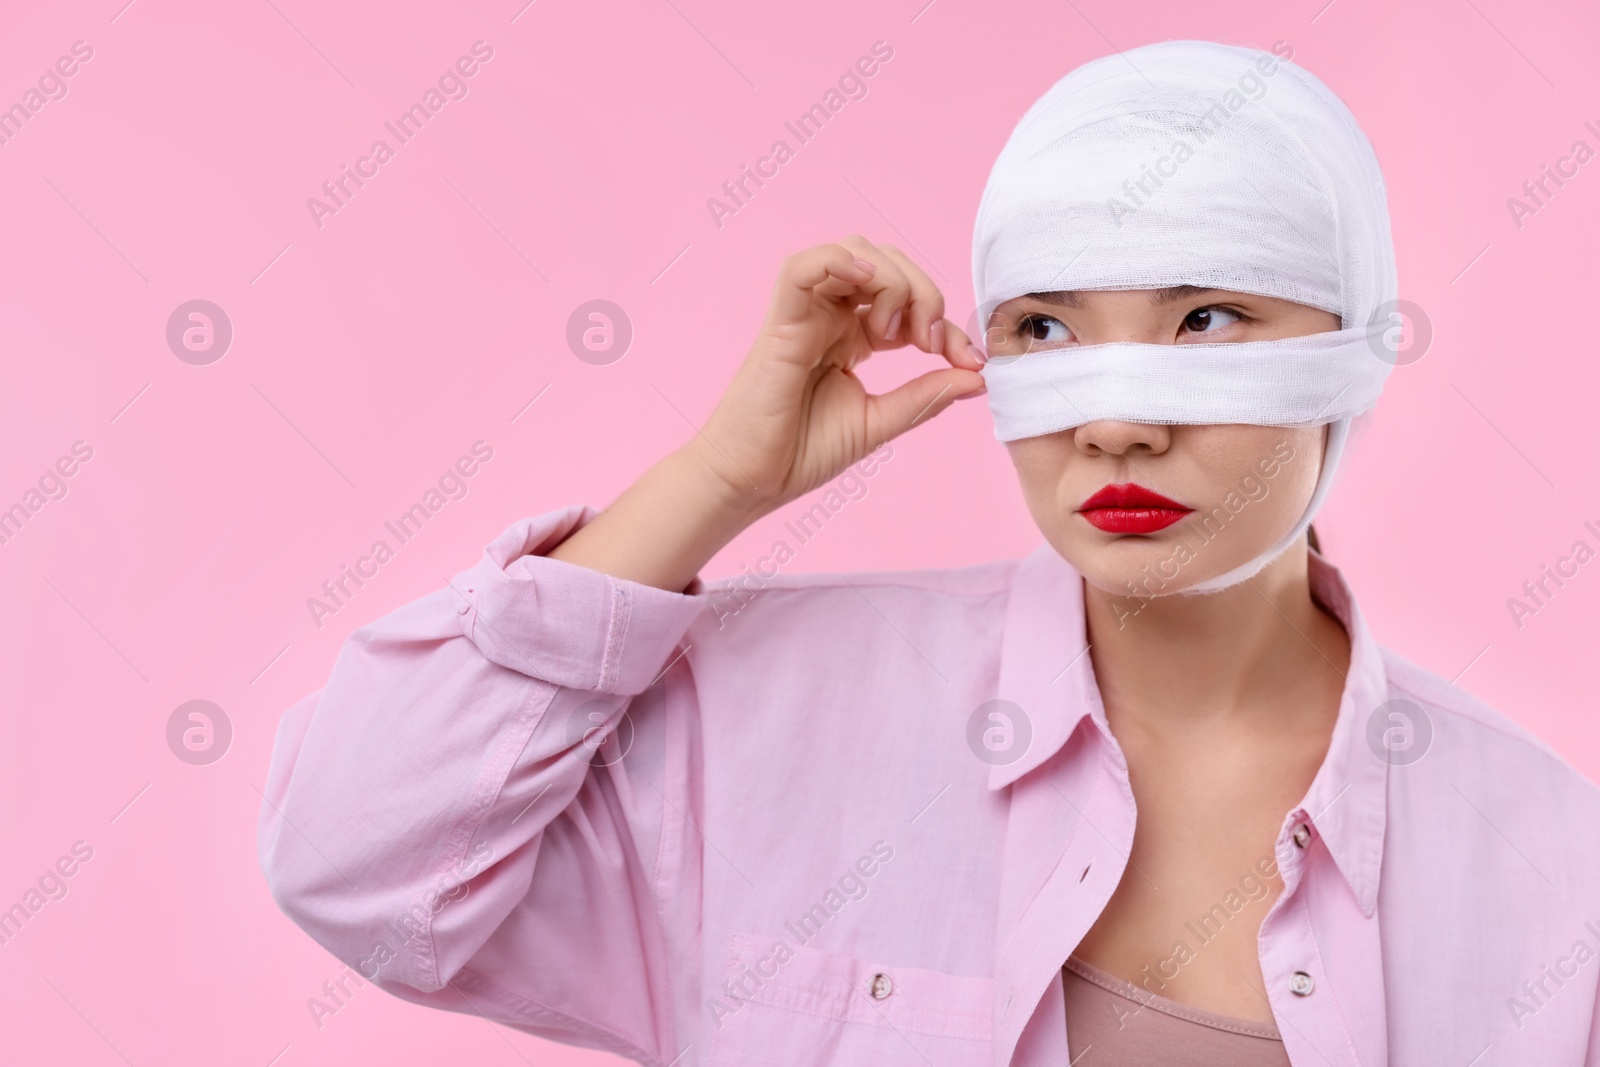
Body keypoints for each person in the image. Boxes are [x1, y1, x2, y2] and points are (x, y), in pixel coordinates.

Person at [257, 40, 1600, 1065]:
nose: (1116, 421)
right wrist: (715, 483)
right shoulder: (761, 722)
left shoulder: (1547, 871)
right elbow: (357, 864)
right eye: (1044, 332)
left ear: (1353, 351)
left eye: (1207, 317)